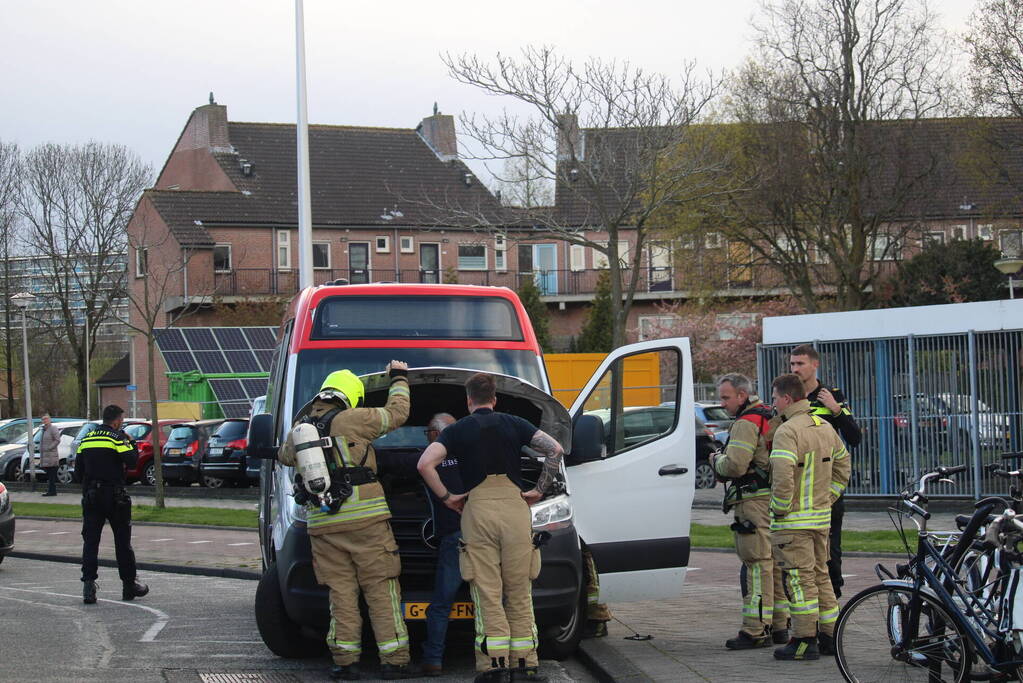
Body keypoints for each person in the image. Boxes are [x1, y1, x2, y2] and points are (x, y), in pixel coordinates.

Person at [417, 372, 564, 683]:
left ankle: (494, 667)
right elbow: (555, 450)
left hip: (478, 512)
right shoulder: (515, 423)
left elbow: (424, 464)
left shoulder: (457, 430)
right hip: (515, 510)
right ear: (494, 399)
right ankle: (524, 666)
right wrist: (538, 490)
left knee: (487, 592)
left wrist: (447, 497)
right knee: (519, 591)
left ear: (469, 400)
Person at [278, 361, 417, 681]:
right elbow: (397, 413)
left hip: (323, 524)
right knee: (381, 588)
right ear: (351, 396)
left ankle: (345, 663)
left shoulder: (300, 427)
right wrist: (399, 378)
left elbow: (285, 457)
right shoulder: (354, 418)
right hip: (366, 521)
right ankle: (394, 661)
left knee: (340, 593)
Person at [768, 373, 850, 661]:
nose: (773, 404)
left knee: (799, 580)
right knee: (821, 576)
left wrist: (780, 508)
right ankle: (829, 636)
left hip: (793, 523)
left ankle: (803, 640)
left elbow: (782, 474)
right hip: (820, 519)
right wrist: (828, 498)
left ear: (787, 398)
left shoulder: (787, 431)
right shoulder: (824, 426)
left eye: (775, 398)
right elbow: (844, 465)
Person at [711, 373, 790, 650]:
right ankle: (779, 626)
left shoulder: (746, 422)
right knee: (774, 565)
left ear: (742, 395)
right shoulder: (769, 415)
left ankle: (754, 630)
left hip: (752, 503)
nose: (722, 403)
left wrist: (715, 460)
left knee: (757, 565)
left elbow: (735, 466)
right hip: (772, 499)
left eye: (726, 397)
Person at [788, 344, 861, 599]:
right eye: (792, 364)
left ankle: (832, 602)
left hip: (825, 488)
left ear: (815, 365)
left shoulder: (832, 395)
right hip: (796, 487)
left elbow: (855, 437)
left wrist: (836, 409)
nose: (795, 369)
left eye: (800, 363)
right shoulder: (789, 395)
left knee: (830, 550)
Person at [78, 404, 148, 604]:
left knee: (91, 543)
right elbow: (132, 461)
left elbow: (78, 472)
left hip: (92, 497)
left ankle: (88, 586)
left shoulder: (86, 439)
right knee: (122, 542)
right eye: (121, 421)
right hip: (115, 497)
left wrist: (87, 492)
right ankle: (129, 585)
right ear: (116, 421)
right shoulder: (117, 438)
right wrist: (131, 442)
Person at [419, 412, 460, 677]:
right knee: (491, 598)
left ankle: (433, 659)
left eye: (427, 434)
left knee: (442, 602)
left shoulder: (429, 460)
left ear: (435, 434)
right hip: (482, 535)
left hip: (453, 538)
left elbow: (407, 464)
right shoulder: (472, 456)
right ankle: (499, 658)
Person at [40, 414, 62, 497]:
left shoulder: (53, 428)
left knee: (52, 474)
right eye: (43, 419)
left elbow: (57, 440)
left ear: (50, 420)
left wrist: (49, 447)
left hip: (51, 456)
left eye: (46, 419)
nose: (44, 421)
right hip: (45, 456)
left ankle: (52, 491)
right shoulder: (43, 430)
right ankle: (51, 490)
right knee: (49, 474)